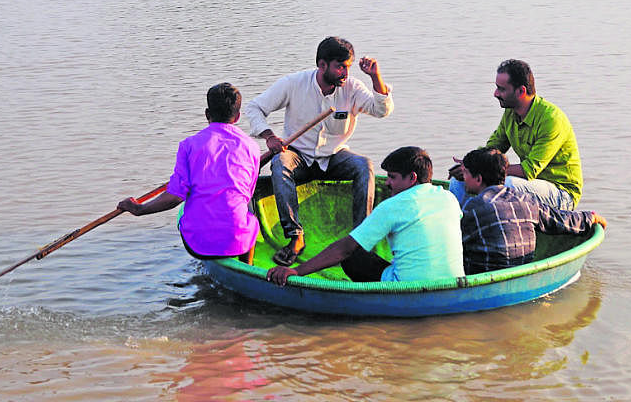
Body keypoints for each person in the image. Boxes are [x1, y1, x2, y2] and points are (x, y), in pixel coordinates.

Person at [244, 36, 393, 266]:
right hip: (299, 157)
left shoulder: (352, 87)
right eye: (340, 67)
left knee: (364, 166)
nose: (345, 72)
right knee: (280, 163)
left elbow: (381, 110)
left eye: (348, 67)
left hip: (335, 157)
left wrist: (375, 76)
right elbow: (255, 108)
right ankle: (296, 236)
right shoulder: (294, 83)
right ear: (322, 65)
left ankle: (360, 239)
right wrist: (269, 136)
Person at [265, 147, 464, 285]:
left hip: (406, 286)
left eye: (392, 178)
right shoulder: (449, 198)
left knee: (354, 257)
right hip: (450, 283)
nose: (387, 183)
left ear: (412, 178)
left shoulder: (391, 206)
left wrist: (297, 271)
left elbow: (345, 249)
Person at [117, 82, 260, 259]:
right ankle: (246, 265)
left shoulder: (189, 145)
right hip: (238, 242)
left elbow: (175, 197)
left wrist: (140, 209)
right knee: (250, 212)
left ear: (207, 114)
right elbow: (246, 193)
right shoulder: (252, 147)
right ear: (237, 117)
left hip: (198, 244)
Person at [450, 59, 583, 210]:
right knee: (459, 181)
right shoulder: (510, 112)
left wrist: (480, 169)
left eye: (501, 89)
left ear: (521, 91)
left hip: (561, 193)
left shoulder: (551, 119)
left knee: (508, 184)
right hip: (529, 186)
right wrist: (468, 166)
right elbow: (492, 150)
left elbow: (528, 171)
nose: (495, 93)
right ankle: (462, 225)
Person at [456, 147, 605, 274]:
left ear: (478, 179)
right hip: (521, 271)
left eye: (465, 173)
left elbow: (453, 243)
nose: (463, 178)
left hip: (486, 274)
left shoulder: (473, 207)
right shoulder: (527, 200)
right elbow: (563, 220)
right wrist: (591, 217)